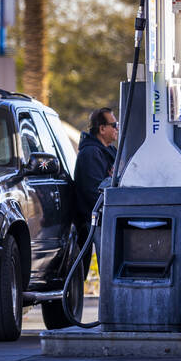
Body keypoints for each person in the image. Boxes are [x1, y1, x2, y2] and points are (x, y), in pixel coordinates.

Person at [73, 107, 118, 253]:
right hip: (100, 220)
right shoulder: (90, 153)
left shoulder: (109, 151)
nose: (117, 128)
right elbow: (93, 192)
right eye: (114, 125)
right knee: (108, 262)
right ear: (102, 129)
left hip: (110, 217)